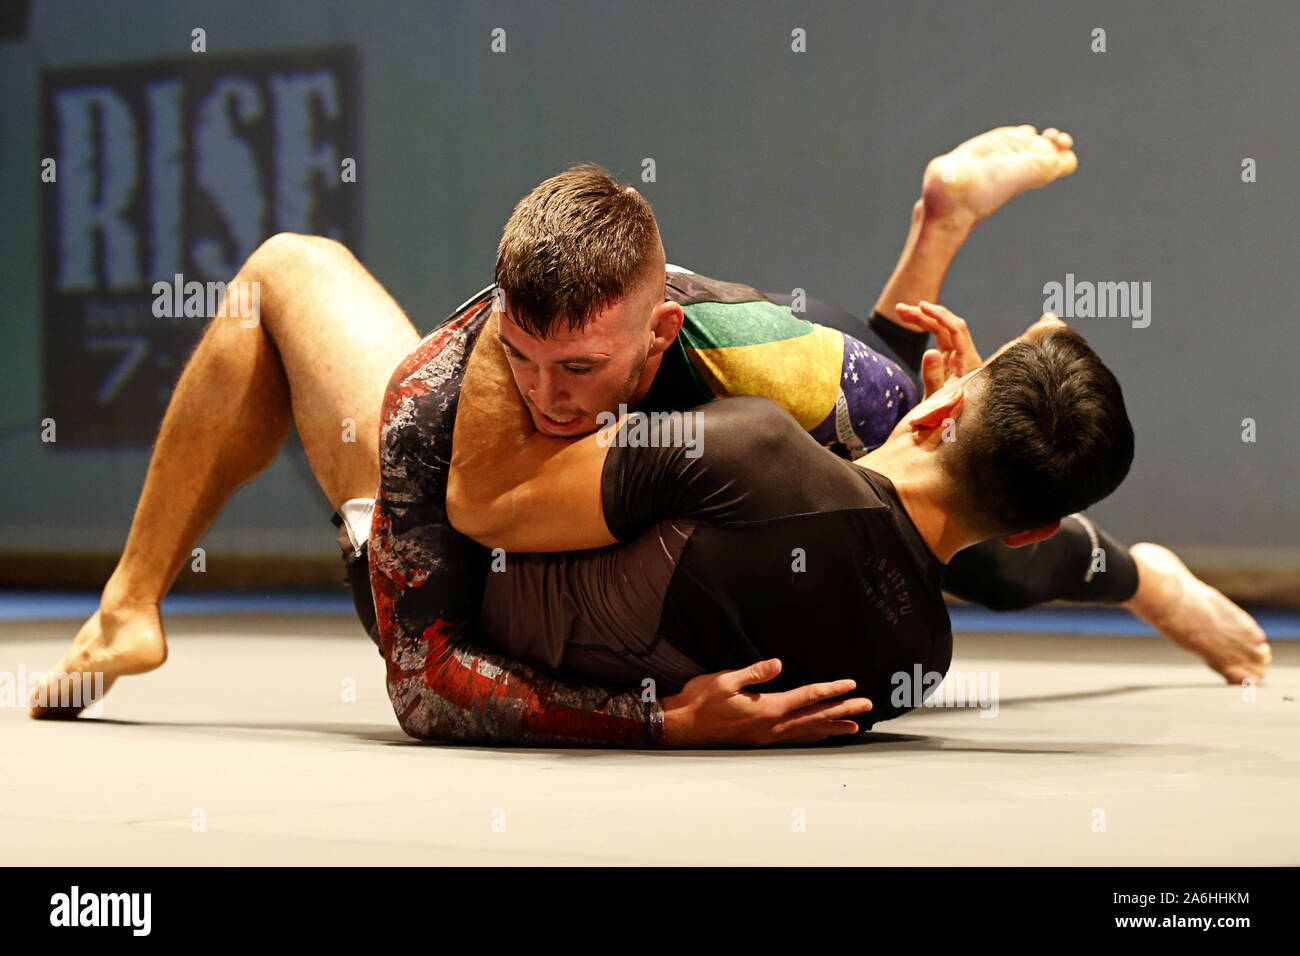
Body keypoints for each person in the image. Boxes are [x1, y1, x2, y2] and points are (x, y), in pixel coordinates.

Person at [30, 126, 1270, 741]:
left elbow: (953, 473)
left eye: (581, 367)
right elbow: (428, 666)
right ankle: (133, 605)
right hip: (469, 531)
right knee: (285, 278)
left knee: (283, 271)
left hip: (527, 549)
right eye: (525, 360)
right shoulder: (451, 398)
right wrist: (661, 723)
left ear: (650, 329)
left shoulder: (730, 361)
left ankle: (134, 600)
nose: (551, 392)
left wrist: (658, 724)